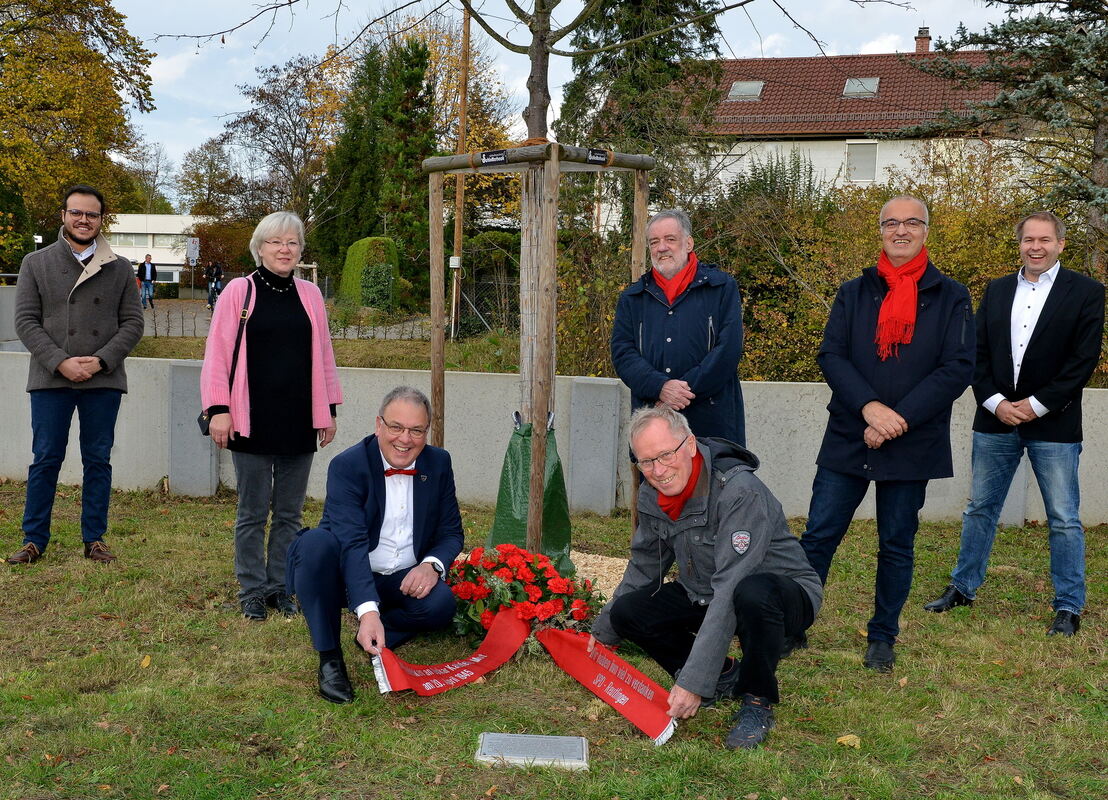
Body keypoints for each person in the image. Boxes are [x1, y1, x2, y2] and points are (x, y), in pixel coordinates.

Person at [799, 195, 974, 673]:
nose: (901, 231)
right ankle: (793, 624)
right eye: (891, 223)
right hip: (850, 433)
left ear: (926, 231)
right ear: (880, 231)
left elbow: (958, 367)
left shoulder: (952, 296)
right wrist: (870, 409)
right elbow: (831, 355)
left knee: (897, 543)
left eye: (911, 222)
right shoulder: (853, 293)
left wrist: (898, 419)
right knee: (819, 536)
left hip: (912, 440)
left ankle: (882, 636)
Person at [588, 406, 822, 750]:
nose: (658, 471)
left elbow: (731, 586)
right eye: (646, 462)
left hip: (780, 592)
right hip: (705, 590)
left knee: (753, 594)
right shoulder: (652, 494)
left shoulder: (739, 491)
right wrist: (602, 633)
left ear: (690, 445)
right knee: (629, 612)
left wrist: (693, 682)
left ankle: (757, 700)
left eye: (665, 455)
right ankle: (726, 676)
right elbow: (645, 567)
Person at [923, 212, 1104, 637]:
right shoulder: (998, 289)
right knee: (980, 509)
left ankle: (1068, 605)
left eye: (1044, 240)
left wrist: (1036, 406)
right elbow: (976, 352)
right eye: (1028, 240)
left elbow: (1083, 361)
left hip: (1054, 423)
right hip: (995, 418)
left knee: (1063, 517)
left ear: (1060, 244)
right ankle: (963, 587)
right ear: (1020, 244)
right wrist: (996, 402)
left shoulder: (1087, 292)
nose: (1035, 247)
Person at [200, 211, 342, 622]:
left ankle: (281, 587)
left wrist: (328, 412)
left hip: (298, 418)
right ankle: (251, 590)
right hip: (251, 419)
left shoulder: (310, 295)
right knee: (252, 512)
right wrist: (219, 410)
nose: (285, 249)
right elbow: (217, 354)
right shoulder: (238, 291)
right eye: (276, 242)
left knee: (289, 514)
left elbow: (325, 355)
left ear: (300, 250)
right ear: (259, 248)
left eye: (292, 242)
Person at [286, 386, 464, 704]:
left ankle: (378, 633)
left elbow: (451, 532)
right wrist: (367, 611)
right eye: (396, 427)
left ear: (426, 432)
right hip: (345, 575)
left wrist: (431, 565)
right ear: (378, 424)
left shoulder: (439, 463)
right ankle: (330, 658)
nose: (405, 439)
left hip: (401, 578)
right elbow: (352, 544)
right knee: (314, 545)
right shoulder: (348, 465)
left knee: (441, 605)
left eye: (416, 430)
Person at [7, 184, 144, 565]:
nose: (84, 220)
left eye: (92, 214)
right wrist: (60, 361)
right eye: (77, 213)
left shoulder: (119, 267)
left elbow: (133, 323)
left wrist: (101, 360)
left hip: (103, 378)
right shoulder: (36, 263)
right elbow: (26, 321)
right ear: (64, 216)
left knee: (97, 459)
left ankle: (94, 539)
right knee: (45, 457)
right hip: (51, 377)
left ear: (102, 219)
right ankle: (34, 539)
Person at [611, 209, 745, 444]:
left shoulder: (721, 288)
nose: (661, 247)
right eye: (654, 242)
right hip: (654, 427)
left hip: (713, 428)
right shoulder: (633, 298)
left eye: (670, 239)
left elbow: (728, 350)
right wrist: (660, 387)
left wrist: (680, 392)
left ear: (689, 243)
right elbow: (623, 354)